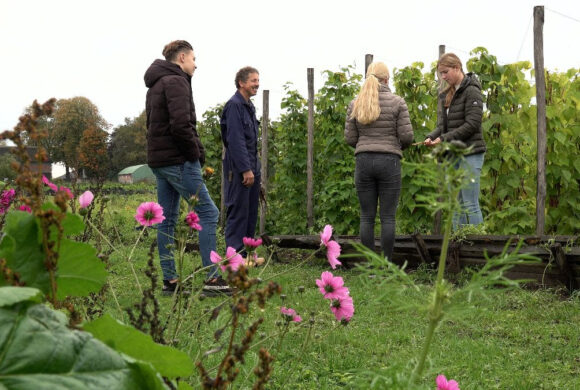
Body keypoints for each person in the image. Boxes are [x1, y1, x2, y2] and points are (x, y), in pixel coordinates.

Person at [144, 40, 231, 296]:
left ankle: (170, 281)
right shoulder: (176, 81)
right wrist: (196, 154)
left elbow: (155, 126)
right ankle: (212, 280)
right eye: (193, 58)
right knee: (208, 213)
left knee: (167, 220)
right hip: (178, 160)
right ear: (182, 57)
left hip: (160, 161)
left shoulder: (157, 83)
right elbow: (181, 125)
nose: (196, 64)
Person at [345, 62, 413, 261]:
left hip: (364, 161)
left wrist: (365, 146)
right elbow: (407, 136)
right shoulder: (397, 102)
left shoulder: (356, 103)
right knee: (388, 217)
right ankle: (386, 266)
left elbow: (350, 138)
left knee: (367, 217)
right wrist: (397, 147)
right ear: (387, 79)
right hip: (389, 161)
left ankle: (368, 265)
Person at [424, 53, 486, 228]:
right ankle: (456, 246)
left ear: (457, 68)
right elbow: (443, 126)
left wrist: (443, 138)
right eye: (441, 74)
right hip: (453, 156)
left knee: (469, 203)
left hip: (471, 153)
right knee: (455, 205)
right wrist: (432, 136)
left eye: (445, 72)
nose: (443, 77)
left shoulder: (472, 90)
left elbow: (472, 124)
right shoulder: (446, 94)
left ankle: (477, 245)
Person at [220, 67, 261, 256]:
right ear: (241, 83)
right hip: (238, 169)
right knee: (238, 211)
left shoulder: (248, 106)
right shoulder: (234, 105)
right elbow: (235, 140)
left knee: (251, 211)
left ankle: (246, 254)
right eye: (253, 81)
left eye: (257, 80)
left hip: (252, 166)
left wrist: (254, 168)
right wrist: (245, 169)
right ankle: (234, 256)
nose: (257, 84)